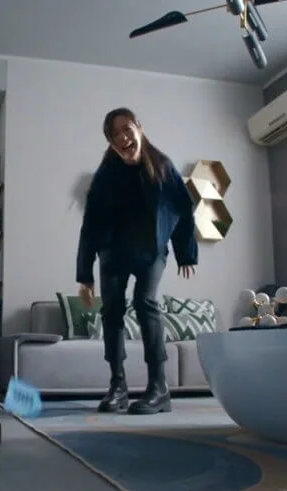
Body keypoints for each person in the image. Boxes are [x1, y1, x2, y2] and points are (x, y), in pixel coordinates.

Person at [76, 108, 198, 415]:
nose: (122, 138)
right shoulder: (106, 174)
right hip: (113, 252)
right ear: (110, 141)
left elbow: (183, 209)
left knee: (145, 303)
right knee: (112, 310)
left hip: (150, 252)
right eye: (114, 134)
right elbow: (90, 224)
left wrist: (186, 253)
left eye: (126, 129)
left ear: (139, 128)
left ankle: (159, 387)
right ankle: (117, 386)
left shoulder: (162, 166)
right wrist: (84, 274)